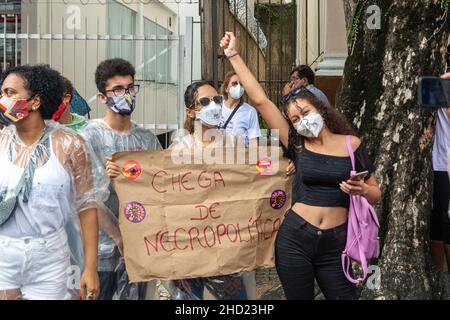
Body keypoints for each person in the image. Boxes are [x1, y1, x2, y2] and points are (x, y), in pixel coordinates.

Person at [221, 32, 381, 300]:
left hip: (336, 245)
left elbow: (376, 193)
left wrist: (361, 189)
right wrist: (233, 55)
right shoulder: (296, 143)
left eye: (305, 113)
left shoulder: (352, 144)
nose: (302, 121)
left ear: (320, 109)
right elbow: (261, 101)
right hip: (295, 240)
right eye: (295, 119)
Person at [0, 64, 105, 300]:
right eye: (2, 93)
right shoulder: (1, 142)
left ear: (35, 101)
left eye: (9, 93)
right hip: (3, 256)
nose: (2, 100)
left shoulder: (70, 144)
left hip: (49, 258)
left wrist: (90, 267)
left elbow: (87, 206)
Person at [79, 58, 162, 300]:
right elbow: (86, 198)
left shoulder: (147, 139)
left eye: (130, 88)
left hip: (139, 249)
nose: (126, 94)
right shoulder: (88, 137)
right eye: (117, 89)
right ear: (102, 97)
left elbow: (158, 188)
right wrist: (118, 237)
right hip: (100, 251)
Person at [430, 72, 450, 273]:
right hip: (442, 163)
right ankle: (440, 271)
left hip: (442, 162)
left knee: (442, 216)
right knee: (441, 216)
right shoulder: (443, 82)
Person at [219, 71, 261, 146]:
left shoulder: (250, 112)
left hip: (240, 155)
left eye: (241, 84)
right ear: (226, 88)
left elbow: (253, 142)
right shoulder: (218, 107)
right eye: (234, 83)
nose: (238, 87)